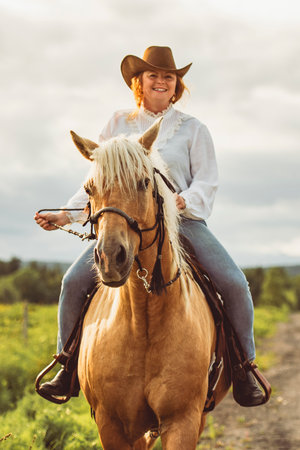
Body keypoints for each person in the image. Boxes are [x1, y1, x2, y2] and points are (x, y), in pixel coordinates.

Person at [35, 46, 265, 407]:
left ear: (176, 86)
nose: (161, 81)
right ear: (138, 82)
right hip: (124, 223)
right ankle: (66, 367)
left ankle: (243, 369)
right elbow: (97, 179)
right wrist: (67, 214)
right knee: (73, 281)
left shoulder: (193, 129)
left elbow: (207, 180)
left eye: (168, 77)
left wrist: (183, 200)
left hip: (181, 223)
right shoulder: (116, 124)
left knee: (234, 283)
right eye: (153, 75)